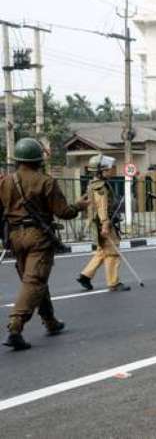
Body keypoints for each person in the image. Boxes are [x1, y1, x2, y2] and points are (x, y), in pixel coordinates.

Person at [1, 138, 90, 351]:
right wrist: (78, 205)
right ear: (38, 160)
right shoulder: (46, 182)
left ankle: (50, 321)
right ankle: (15, 326)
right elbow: (63, 212)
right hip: (38, 237)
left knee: (36, 278)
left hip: (14, 237)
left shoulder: (5, 182)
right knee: (34, 280)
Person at [76, 154, 131, 293]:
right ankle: (113, 283)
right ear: (100, 171)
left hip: (98, 223)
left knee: (102, 251)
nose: (111, 170)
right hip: (103, 223)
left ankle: (85, 276)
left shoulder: (93, 184)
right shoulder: (100, 187)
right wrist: (105, 225)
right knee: (112, 252)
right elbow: (102, 207)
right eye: (108, 169)